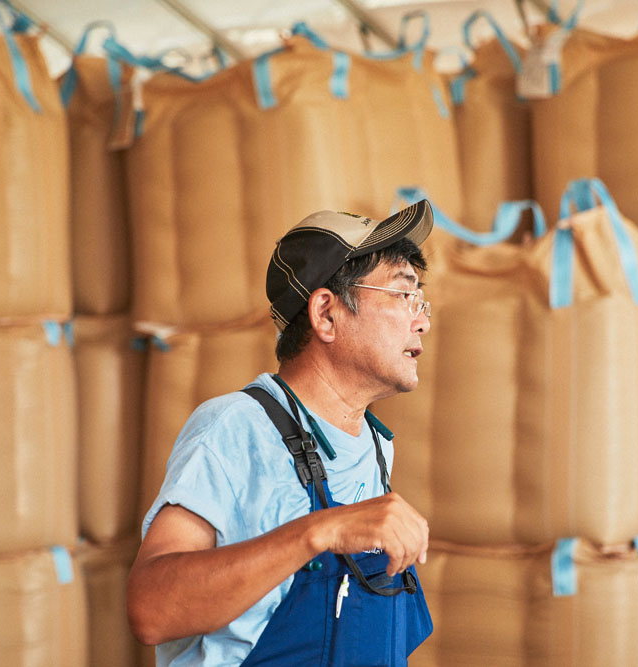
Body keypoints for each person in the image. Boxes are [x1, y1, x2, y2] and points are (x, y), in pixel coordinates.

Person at [127, 200, 436, 666]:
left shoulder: (373, 446)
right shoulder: (237, 427)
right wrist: (321, 531)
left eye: (421, 300)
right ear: (326, 314)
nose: (423, 321)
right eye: (401, 295)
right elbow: (150, 609)